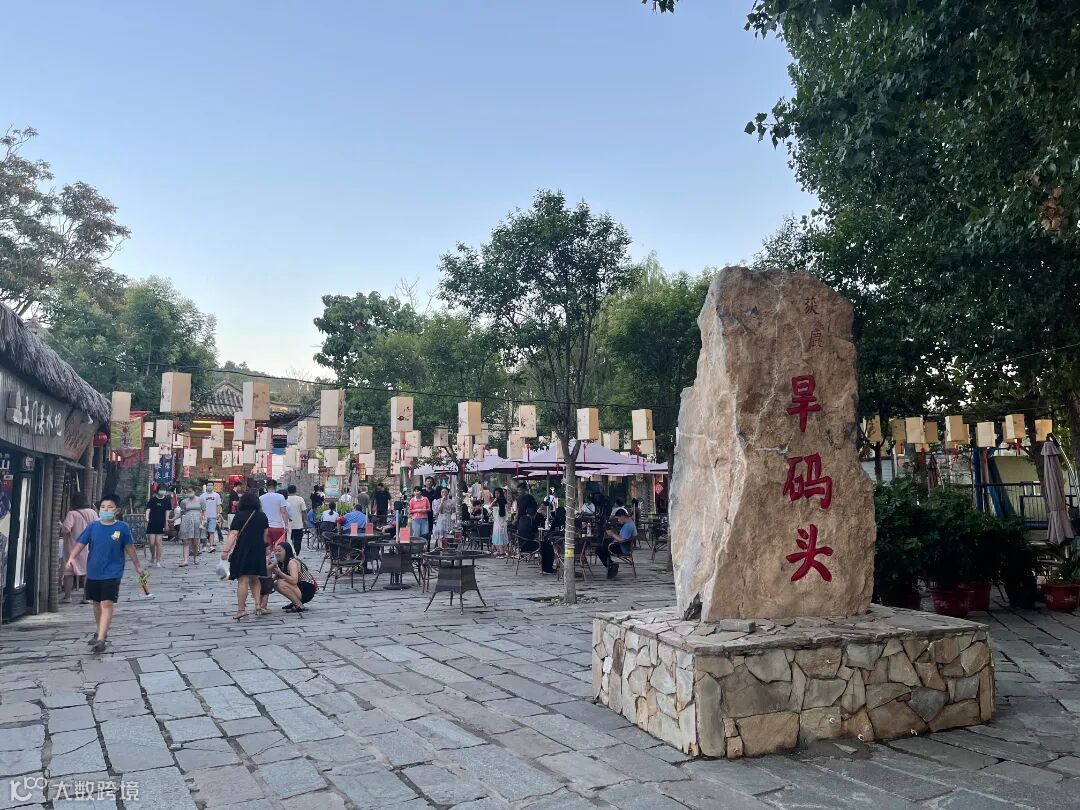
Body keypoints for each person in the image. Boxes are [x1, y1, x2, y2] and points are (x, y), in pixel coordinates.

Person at [65, 494, 146, 653]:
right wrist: (71, 558)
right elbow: (80, 543)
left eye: (109, 507)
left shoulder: (122, 527)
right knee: (96, 603)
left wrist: (138, 566)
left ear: (117, 510)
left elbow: (130, 548)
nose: (105, 510)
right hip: (94, 571)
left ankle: (101, 639)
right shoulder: (92, 527)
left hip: (113, 572)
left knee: (106, 603)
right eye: (103, 507)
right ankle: (100, 630)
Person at [221, 490, 269, 619]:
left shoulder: (239, 516)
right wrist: (266, 548)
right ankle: (258, 604)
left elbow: (233, 534)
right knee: (255, 578)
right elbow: (265, 535)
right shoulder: (262, 516)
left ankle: (241, 609)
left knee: (243, 579)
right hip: (258, 550)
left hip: (243, 549)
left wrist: (226, 551)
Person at [60, 492, 97, 602]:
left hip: (73, 548)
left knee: (69, 573)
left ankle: (67, 596)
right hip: (88, 547)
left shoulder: (72, 514)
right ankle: (86, 597)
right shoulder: (92, 512)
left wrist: (60, 525)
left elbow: (65, 530)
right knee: (86, 572)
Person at [263, 541, 317, 613]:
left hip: (306, 590)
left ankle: (299, 605)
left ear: (287, 551)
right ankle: (295, 602)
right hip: (300, 587)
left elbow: (294, 580)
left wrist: (280, 573)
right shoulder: (282, 563)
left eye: (279, 551)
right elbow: (275, 578)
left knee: (279, 583)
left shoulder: (292, 562)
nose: (277, 553)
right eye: (275, 551)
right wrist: (265, 583)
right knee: (275, 584)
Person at [601, 508, 638, 579]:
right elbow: (621, 536)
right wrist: (614, 534)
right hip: (622, 545)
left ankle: (612, 565)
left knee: (600, 549)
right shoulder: (628, 523)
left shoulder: (628, 526)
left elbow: (622, 540)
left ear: (623, 516)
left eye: (618, 518)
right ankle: (611, 565)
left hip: (623, 548)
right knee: (604, 544)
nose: (618, 520)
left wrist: (612, 534)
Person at [143, 486, 171, 568]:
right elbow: (148, 509)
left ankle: (158, 561)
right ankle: (152, 556)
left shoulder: (167, 500)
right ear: (158, 490)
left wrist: (166, 523)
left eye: (164, 490)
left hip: (161, 523)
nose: (163, 491)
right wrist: (147, 517)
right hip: (152, 523)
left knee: (158, 543)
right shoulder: (152, 500)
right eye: (161, 490)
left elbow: (167, 513)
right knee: (151, 543)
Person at [259, 480, 290, 549]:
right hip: (278, 526)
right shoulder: (280, 497)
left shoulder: (261, 498)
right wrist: (286, 525)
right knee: (279, 548)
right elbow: (284, 512)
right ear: (276, 487)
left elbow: (260, 513)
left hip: (265, 527)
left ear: (266, 487)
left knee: (267, 549)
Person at [177, 488, 204, 566]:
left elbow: (204, 511)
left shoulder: (200, 500)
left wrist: (204, 520)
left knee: (195, 541)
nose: (189, 493)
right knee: (186, 540)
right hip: (187, 520)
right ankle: (185, 560)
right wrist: (173, 519)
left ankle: (195, 557)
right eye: (188, 492)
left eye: (191, 491)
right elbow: (181, 512)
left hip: (197, 520)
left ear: (194, 492)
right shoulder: (184, 501)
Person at [200, 483, 223, 553]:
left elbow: (218, 505)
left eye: (211, 485)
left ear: (213, 487)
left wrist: (218, 513)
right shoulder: (202, 496)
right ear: (206, 487)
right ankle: (204, 546)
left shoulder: (216, 495)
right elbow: (200, 506)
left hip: (213, 516)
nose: (209, 487)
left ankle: (211, 546)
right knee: (204, 532)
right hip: (204, 517)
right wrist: (201, 516)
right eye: (208, 485)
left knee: (212, 531)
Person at [285, 485, 307, 554]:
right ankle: (296, 554)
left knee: (288, 541)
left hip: (288, 524)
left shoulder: (285, 499)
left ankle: (289, 555)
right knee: (298, 541)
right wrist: (304, 521)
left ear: (288, 491)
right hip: (298, 524)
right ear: (295, 490)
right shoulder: (300, 499)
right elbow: (304, 511)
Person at [491, 487, 509, 557]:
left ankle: (501, 551)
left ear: (500, 493)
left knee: (499, 536)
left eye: (498, 493)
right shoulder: (503, 501)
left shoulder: (499, 501)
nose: (496, 495)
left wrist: (494, 501)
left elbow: (490, 507)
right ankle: (501, 551)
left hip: (499, 522)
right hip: (501, 521)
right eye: (495, 493)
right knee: (501, 536)